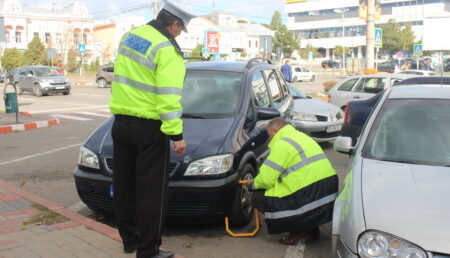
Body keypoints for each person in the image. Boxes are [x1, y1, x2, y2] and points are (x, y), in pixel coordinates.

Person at [108, 1, 197, 257]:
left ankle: (130, 241)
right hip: (148, 129)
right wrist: (176, 136)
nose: (179, 34)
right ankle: (148, 251)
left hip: (121, 123)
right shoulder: (167, 51)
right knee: (151, 194)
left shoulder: (130, 36)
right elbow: (168, 98)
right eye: (180, 30)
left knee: (124, 186)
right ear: (174, 24)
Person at [246, 118, 338, 245]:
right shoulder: (301, 136)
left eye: (269, 135)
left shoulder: (282, 144)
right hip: (328, 187)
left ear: (275, 131)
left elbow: (266, 179)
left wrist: (252, 184)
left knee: (258, 196)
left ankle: (296, 230)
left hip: (310, 190)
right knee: (293, 187)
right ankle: (311, 228)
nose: (269, 139)